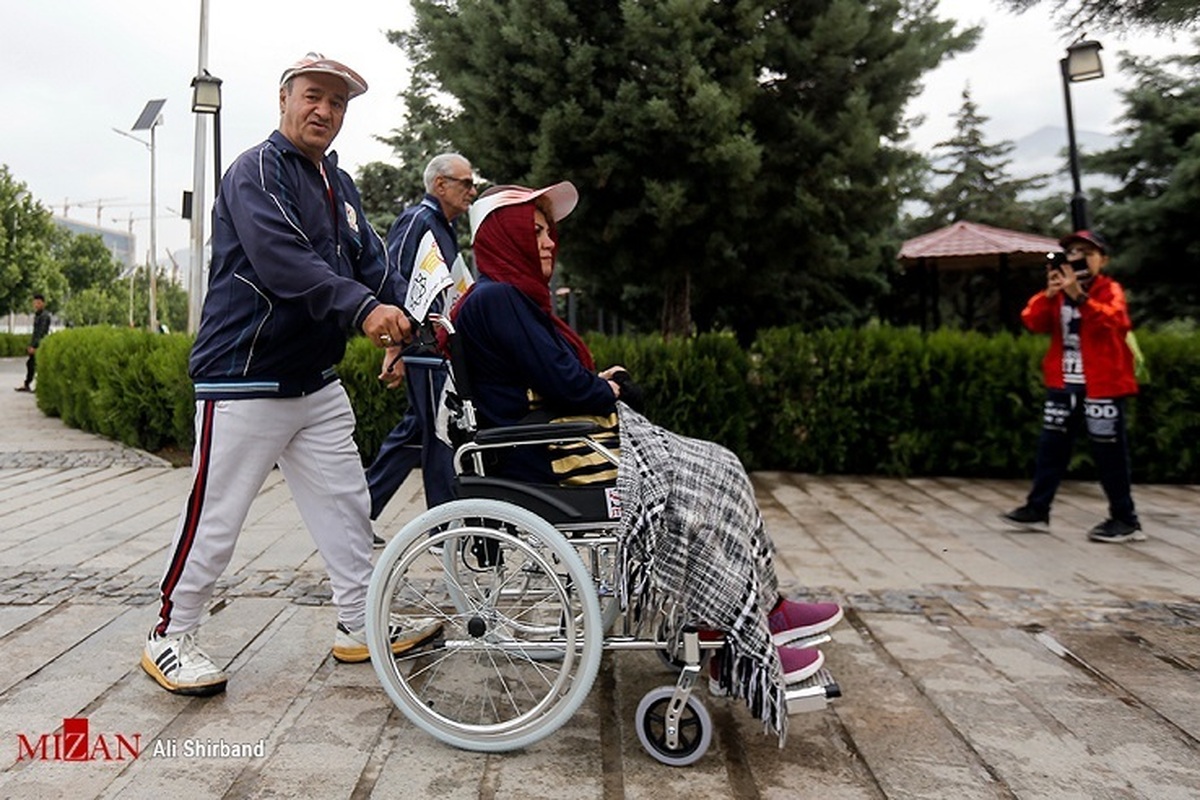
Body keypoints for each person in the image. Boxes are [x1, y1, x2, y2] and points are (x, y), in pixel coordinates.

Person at [449, 182, 843, 737]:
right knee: (702, 482)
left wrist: (594, 386)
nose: (547, 241)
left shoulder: (503, 298)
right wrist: (603, 390)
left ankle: (762, 609)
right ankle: (732, 636)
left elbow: (554, 378)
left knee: (719, 468)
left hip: (560, 438)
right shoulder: (499, 299)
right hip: (554, 456)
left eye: (547, 231)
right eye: (533, 231)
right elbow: (563, 382)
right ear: (503, 235)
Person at [141, 52, 440, 697]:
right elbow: (284, 263)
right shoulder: (254, 171)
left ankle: (360, 623)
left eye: (337, 103)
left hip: (314, 381)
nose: (325, 111)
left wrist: (402, 326)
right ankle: (170, 634)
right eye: (314, 96)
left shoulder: (340, 183)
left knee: (347, 505)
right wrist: (365, 312)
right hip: (242, 377)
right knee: (215, 518)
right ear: (285, 98)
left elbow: (374, 266)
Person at [1001, 229, 1143, 544]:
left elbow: (1114, 321)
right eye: (1073, 252)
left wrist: (1081, 295)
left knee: (1109, 452)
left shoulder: (1110, 289)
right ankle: (1037, 510)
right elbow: (1032, 322)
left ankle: (1125, 519)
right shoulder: (1058, 292)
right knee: (1051, 448)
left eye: (1087, 253)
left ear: (1102, 260)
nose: (1078, 258)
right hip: (1064, 383)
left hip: (1103, 386)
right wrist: (1051, 294)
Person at [364, 153, 477, 546]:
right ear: (440, 185)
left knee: (417, 432)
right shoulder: (418, 220)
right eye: (465, 183)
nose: (472, 190)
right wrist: (392, 347)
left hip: (434, 347)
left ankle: (358, 512)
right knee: (438, 436)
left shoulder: (442, 226)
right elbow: (392, 280)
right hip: (422, 347)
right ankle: (445, 528)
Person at [15, 294, 50, 392]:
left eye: (39, 303)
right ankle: (27, 384)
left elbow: (41, 333)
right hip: (35, 344)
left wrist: (35, 347)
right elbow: (35, 333)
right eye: (35, 303)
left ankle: (40, 386)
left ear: (43, 303)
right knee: (30, 364)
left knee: (38, 365)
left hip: (40, 345)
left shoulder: (45, 316)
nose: (36, 305)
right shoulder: (38, 315)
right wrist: (30, 345)